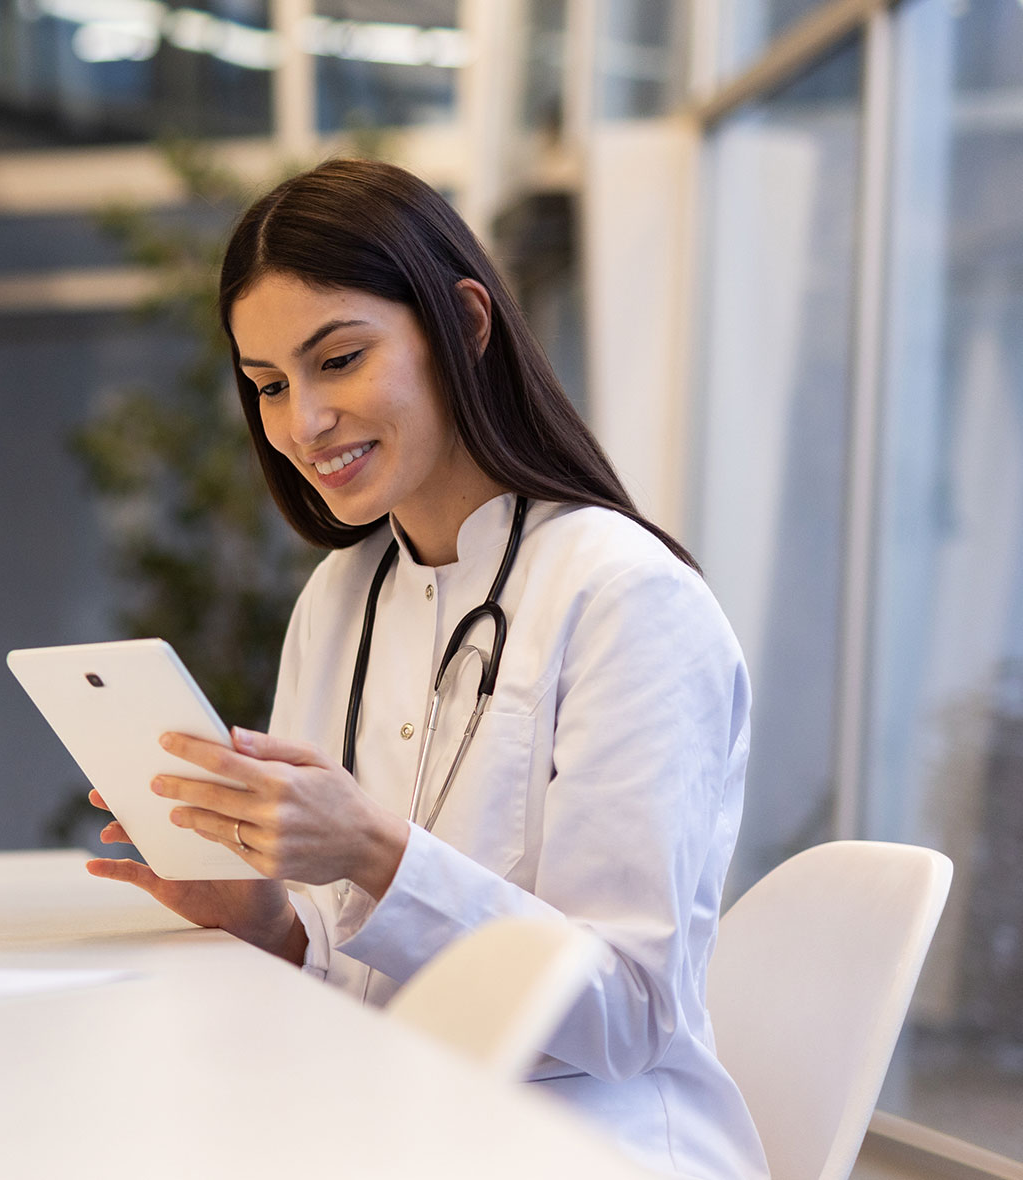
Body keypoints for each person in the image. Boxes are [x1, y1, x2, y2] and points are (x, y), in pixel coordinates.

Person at [84, 158, 767, 1180]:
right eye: (268, 385)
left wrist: (371, 848)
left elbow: (628, 1009)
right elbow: (364, 967)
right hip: (393, 1125)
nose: (302, 421)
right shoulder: (340, 596)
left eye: (339, 359)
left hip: (591, 1147)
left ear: (466, 326)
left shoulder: (624, 596)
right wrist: (270, 924)